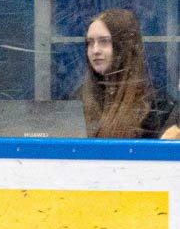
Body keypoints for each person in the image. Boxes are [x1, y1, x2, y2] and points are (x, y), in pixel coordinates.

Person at [74, 8, 180, 139]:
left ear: (124, 47)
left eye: (104, 41)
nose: (95, 50)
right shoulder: (77, 100)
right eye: (90, 43)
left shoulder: (157, 107)